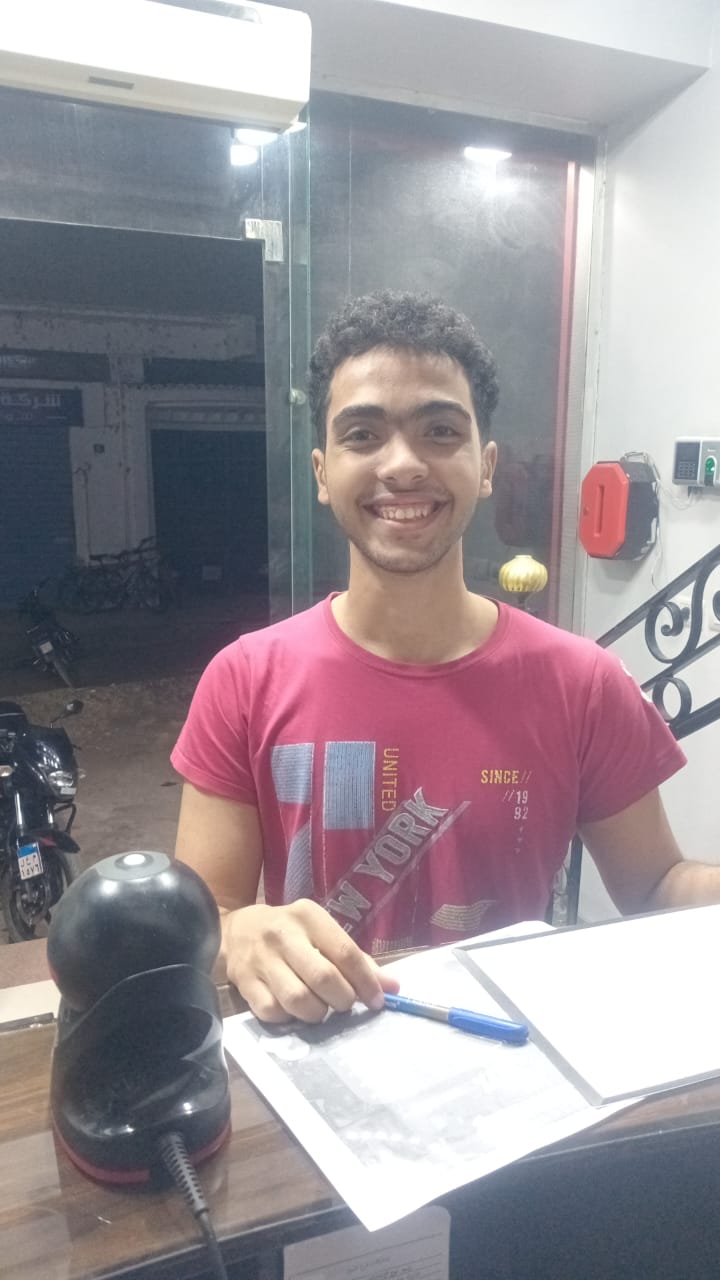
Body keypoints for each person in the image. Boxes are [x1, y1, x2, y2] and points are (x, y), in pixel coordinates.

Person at [172, 290, 718, 1024]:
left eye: (439, 431)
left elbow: (656, 885)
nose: (403, 465)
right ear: (322, 472)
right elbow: (202, 920)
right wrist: (239, 933)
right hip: (314, 1056)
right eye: (363, 435)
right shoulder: (244, 680)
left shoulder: (580, 683)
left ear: (485, 465)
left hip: (511, 1058)